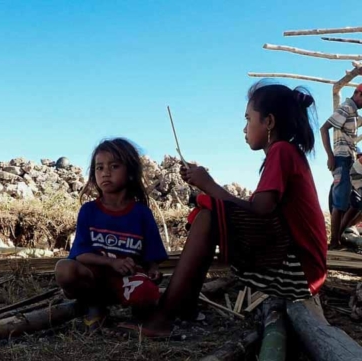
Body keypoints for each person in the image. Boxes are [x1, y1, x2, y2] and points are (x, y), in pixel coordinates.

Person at [134, 81, 327, 337]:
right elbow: (258, 212)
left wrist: (209, 185)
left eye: (248, 119)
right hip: (303, 268)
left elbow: (259, 211)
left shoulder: (282, 152)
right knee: (211, 211)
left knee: (209, 215)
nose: (244, 128)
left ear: (268, 122)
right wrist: (206, 187)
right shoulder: (287, 152)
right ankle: (184, 307)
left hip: (299, 272)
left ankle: (165, 317)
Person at [55, 138, 168, 332]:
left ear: (130, 173)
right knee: (64, 269)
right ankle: (95, 305)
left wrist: (153, 270)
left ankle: (139, 314)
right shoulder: (89, 211)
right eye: (99, 168)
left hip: (127, 281)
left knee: (148, 292)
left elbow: (152, 257)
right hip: (95, 279)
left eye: (114, 166)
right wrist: (112, 263)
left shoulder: (142, 213)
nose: (105, 173)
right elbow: (81, 255)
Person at [321, 85, 362, 248]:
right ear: (358, 93)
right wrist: (330, 156)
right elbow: (324, 128)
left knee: (354, 201)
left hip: (349, 159)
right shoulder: (345, 108)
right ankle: (333, 242)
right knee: (340, 202)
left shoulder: (353, 113)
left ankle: (338, 237)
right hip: (341, 158)